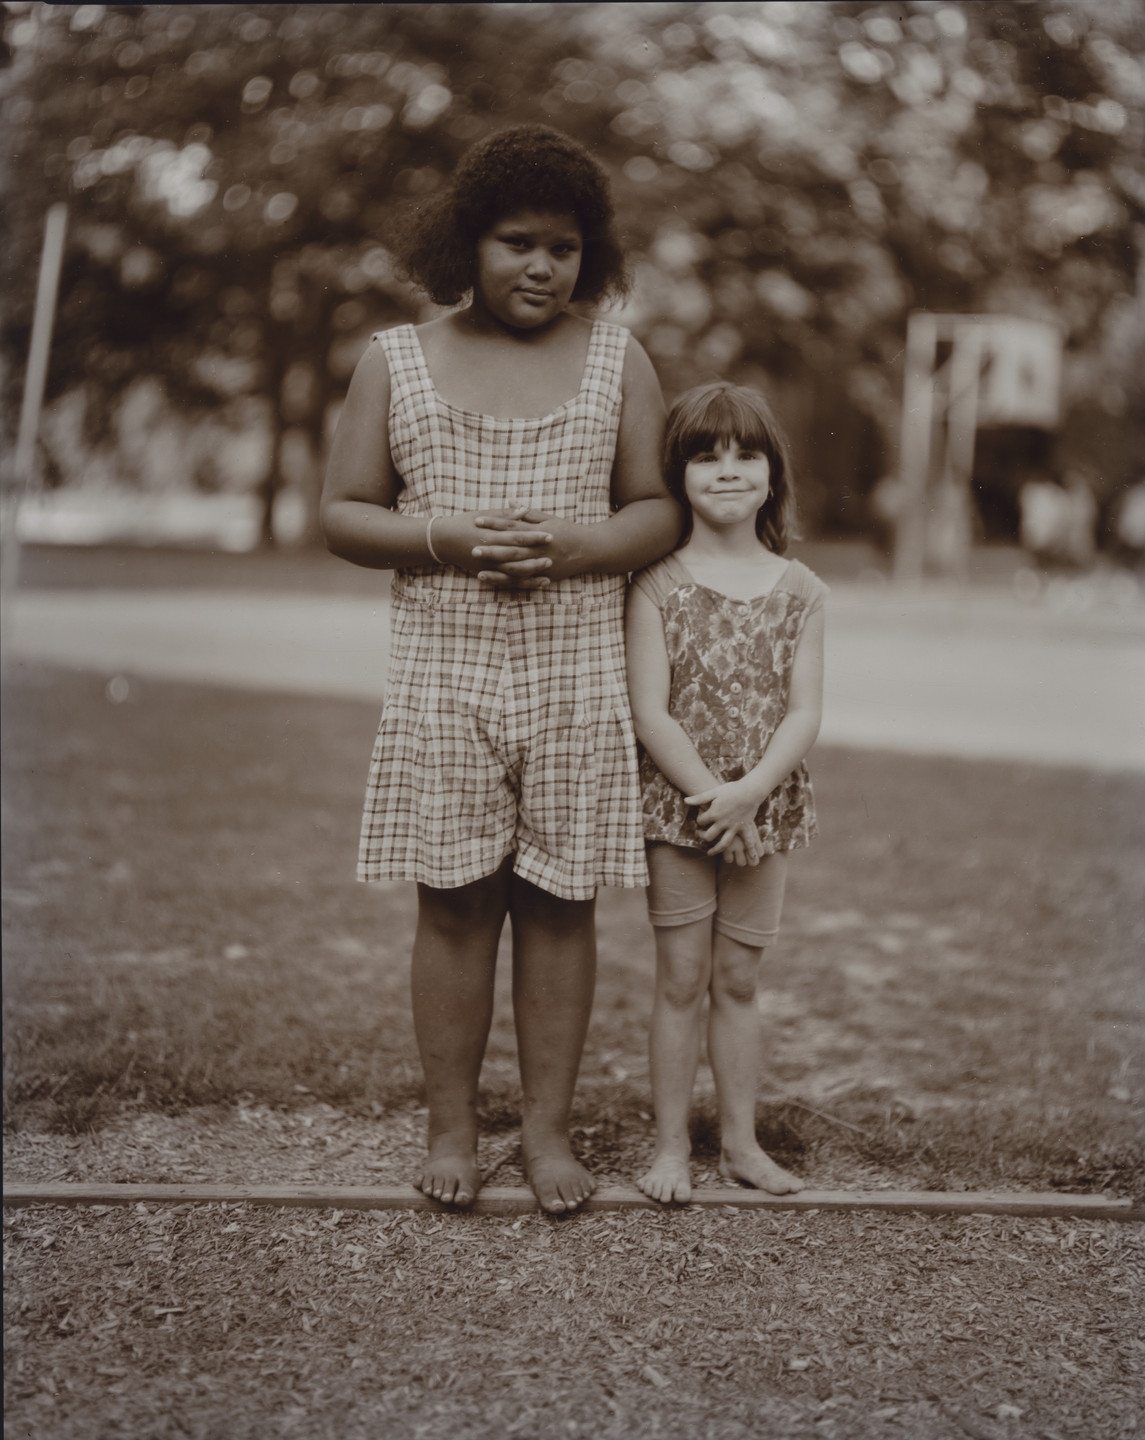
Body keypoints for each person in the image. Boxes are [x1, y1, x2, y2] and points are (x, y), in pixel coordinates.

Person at [320, 126, 678, 1214]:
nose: (540, 267)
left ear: (591, 255)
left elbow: (655, 508)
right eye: (515, 243)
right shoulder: (397, 358)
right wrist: (452, 539)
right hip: (445, 671)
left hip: (576, 674)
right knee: (457, 904)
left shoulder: (618, 356)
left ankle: (546, 1131)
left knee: (562, 905)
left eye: (563, 248)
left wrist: (574, 548)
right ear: (465, 245)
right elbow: (340, 513)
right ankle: (448, 1123)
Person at [625, 382, 827, 1204]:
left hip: (765, 807)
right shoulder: (656, 584)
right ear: (677, 476)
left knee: (738, 979)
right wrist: (717, 799)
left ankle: (741, 1145)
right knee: (679, 978)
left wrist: (751, 796)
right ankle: (670, 1147)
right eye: (705, 456)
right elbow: (649, 711)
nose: (727, 470)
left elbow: (805, 710)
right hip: (683, 812)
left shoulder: (801, 589)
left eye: (746, 454)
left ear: (772, 473)